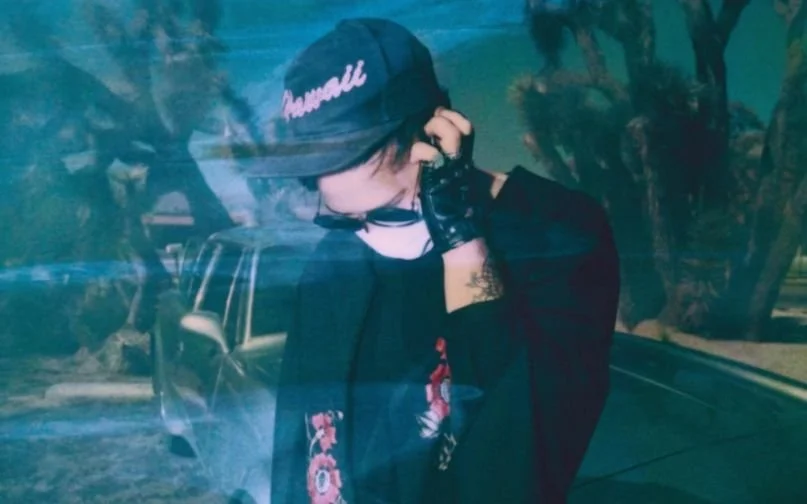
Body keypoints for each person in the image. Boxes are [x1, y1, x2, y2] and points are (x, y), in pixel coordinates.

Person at [248, 17, 620, 504]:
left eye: (387, 211)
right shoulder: (334, 262)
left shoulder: (557, 231)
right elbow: (300, 443)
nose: (367, 233)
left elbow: (519, 456)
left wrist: (462, 237)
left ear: (439, 133)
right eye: (344, 218)